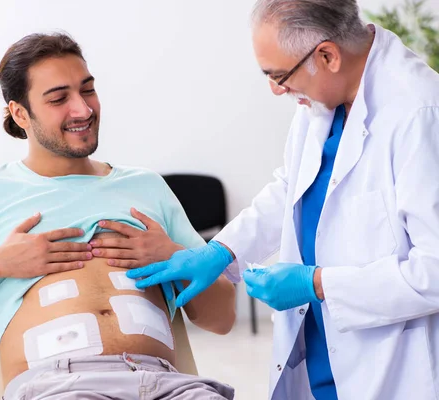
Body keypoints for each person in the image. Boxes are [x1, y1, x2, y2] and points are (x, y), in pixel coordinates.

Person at [0, 33, 236, 400]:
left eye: (88, 90)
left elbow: (222, 318)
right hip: (59, 388)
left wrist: (174, 256)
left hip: (167, 385)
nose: (82, 110)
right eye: (59, 99)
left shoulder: (147, 186)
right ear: (20, 114)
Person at [127, 0, 439, 399]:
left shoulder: (418, 112)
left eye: (279, 76)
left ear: (327, 55)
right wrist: (222, 250)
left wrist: (318, 284)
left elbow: (433, 270)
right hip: (319, 346)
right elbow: (291, 186)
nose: (277, 90)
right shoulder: (323, 101)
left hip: (389, 361)